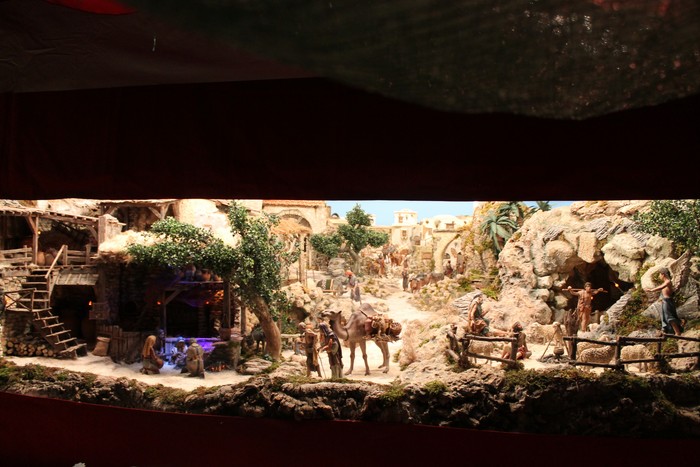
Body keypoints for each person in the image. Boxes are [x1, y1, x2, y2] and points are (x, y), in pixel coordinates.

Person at [645, 268, 684, 335]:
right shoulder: (665, 282)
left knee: (669, 317)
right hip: (665, 301)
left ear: (663, 274)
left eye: (660, 274)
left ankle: (677, 332)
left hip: (668, 301)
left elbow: (661, 287)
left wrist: (651, 290)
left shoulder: (668, 282)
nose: (659, 276)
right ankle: (674, 327)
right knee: (665, 317)